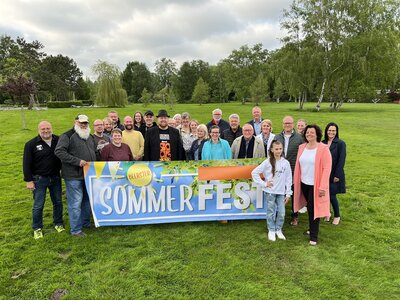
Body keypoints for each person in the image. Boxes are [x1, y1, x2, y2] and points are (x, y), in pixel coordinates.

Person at [55, 114, 97, 237]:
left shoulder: (89, 136)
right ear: (75, 122)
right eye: (81, 123)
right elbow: (59, 151)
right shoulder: (67, 135)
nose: (84, 125)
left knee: (86, 200)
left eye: (86, 123)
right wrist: (77, 161)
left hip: (88, 174)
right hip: (73, 175)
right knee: (75, 203)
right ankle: (76, 230)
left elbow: (94, 151)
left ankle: (85, 223)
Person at [23, 121, 64, 239]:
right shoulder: (31, 144)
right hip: (39, 179)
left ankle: (58, 223)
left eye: (48, 128)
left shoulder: (59, 140)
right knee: (38, 205)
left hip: (55, 177)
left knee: (58, 202)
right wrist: (28, 180)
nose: (46, 131)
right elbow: (26, 164)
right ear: (38, 130)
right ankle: (37, 228)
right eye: (43, 129)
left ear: (52, 128)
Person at [293, 124, 332, 246]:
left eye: (312, 132)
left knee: (313, 209)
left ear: (317, 134)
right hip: (303, 183)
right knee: (309, 207)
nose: (309, 134)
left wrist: (322, 187)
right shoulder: (302, 147)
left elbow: (327, 168)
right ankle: (311, 229)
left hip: (315, 185)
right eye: (307, 132)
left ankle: (314, 237)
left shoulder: (323, 148)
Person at [252, 140, 292, 241]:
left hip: (281, 193)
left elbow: (288, 179)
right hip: (270, 192)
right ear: (272, 150)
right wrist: (264, 184)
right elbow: (254, 173)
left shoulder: (286, 163)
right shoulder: (267, 162)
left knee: (281, 212)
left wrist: (288, 193)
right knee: (270, 212)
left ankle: (278, 229)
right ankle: (271, 230)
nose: (278, 151)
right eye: (276, 149)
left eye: (280, 149)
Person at [274, 115, 304, 226]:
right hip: (279, 170)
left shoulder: (299, 138)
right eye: (285, 123)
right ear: (283, 124)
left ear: (293, 124)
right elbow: (271, 152)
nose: (287, 125)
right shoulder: (277, 137)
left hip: (294, 170)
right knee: (279, 192)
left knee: (294, 193)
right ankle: (278, 213)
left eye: (289, 123)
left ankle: (295, 215)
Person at [322, 122, 346, 225]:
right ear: (326, 131)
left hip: (334, 174)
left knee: (332, 195)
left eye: (333, 131)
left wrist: (337, 175)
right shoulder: (322, 143)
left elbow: (341, 160)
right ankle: (327, 213)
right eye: (329, 130)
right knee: (325, 195)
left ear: (336, 132)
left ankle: (337, 215)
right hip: (324, 173)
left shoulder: (340, 143)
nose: (331, 132)